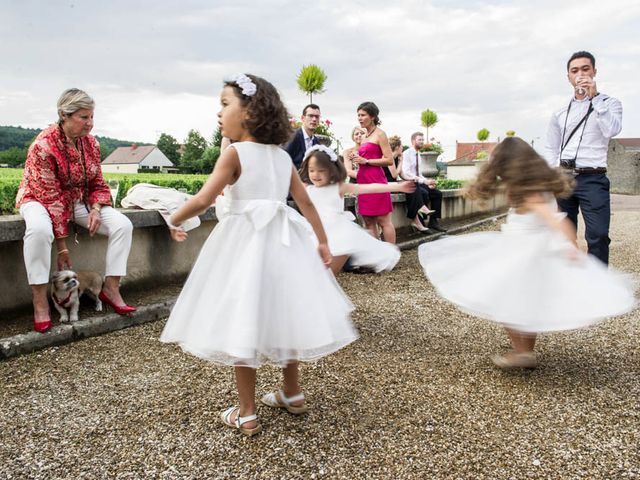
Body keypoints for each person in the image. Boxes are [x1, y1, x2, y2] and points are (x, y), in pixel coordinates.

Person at [160, 74, 357, 437]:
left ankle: (247, 411)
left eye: (224, 104)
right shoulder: (281, 157)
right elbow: (305, 202)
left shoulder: (234, 154)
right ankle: (292, 393)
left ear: (249, 112)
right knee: (287, 312)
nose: (219, 112)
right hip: (285, 244)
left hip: (244, 244)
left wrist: (171, 218)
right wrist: (323, 241)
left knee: (243, 316)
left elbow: (203, 200)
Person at [418, 137, 635, 369]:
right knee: (524, 303)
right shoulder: (537, 187)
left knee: (502, 300)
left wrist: (571, 246)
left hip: (522, 253)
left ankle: (522, 351)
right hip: (528, 251)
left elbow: (556, 220)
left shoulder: (531, 194)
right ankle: (526, 352)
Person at [15, 88, 136, 333]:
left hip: (77, 201)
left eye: (92, 117)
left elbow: (98, 183)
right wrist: (63, 247)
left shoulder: (91, 143)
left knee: (123, 225)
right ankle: (40, 300)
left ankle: (111, 288)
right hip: (38, 199)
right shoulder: (43, 145)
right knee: (39, 231)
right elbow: (52, 200)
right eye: (84, 117)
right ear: (64, 115)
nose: (90, 123)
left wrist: (96, 207)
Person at [544, 51, 622, 265]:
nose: (580, 74)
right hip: (564, 178)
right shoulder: (560, 113)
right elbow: (551, 147)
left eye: (585, 69)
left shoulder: (610, 104)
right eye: (574, 70)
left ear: (594, 72)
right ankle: (569, 280)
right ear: (568, 76)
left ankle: (597, 286)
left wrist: (595, 98)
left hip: (593, 179)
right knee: (563, 236)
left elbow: (612, 130)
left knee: (597, 235)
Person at [299, 144, 415, 274]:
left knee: (329, 274)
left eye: (321, 171)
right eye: (311, 170)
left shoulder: (339, 187)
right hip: (315, 231)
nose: (315, 175)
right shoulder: (307, 188)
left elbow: (370, 188)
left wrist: (397, 187)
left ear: (331, 170)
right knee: (313, 269)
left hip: (338, 233)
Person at [348, 102, 396, 242]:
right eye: (358, 115)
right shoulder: (364, 137)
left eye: (363, 115)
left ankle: (390, 255)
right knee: (368, 222)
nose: (359, 118)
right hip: (363, 182)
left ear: (373, 116)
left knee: (383, 221)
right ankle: (377, 256)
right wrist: (355, 157)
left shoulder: (380, 134)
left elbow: (389, 160)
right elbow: (365, 157)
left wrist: (367, 162)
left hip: (376, 181)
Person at [402, 132, 446, 233]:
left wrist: (427, 182)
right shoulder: (407, 154)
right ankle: (420, 223)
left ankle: (433, 222)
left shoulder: (418, 154)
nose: (422, 142)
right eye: (419, 140)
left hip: (419, 181)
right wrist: (424, 181)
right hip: (410, 182)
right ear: (413, 141)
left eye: (422, 140)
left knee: (437, 193)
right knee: (424, 193)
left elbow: (419, 173)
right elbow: (407, 173)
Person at [285, 103, 320, 169]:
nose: (314, 119)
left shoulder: (316, 141)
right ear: (302, 118)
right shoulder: (293, 136)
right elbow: (283, 159)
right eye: (311, 116)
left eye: (317, 116)